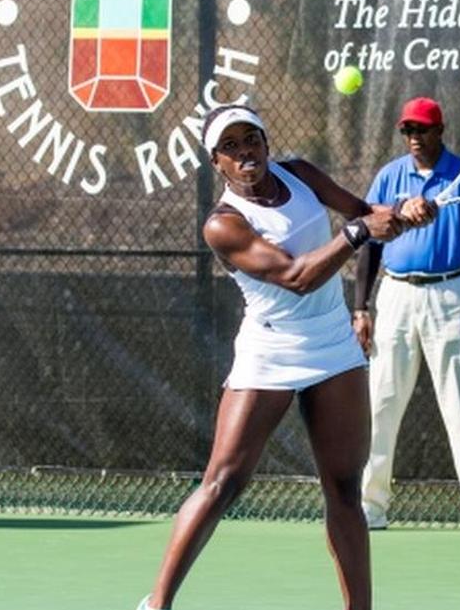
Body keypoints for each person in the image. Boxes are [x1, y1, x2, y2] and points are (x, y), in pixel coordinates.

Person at [135, 104, 434, 610]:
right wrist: (361, 231)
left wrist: (405, 213)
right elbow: (298, 277)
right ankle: (157, 604)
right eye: (230, 146)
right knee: (222, 482)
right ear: (217, 163)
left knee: (344, 488)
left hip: (334, 343)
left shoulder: (298, 174)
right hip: (271, 348)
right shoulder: (223, 224)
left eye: (251, 139)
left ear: (266, 145)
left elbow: (364, 216)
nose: (244, 151)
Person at [354, 97, 460, 534]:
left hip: (449, 295)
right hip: (396, 296)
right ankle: (371, 506)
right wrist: (360, 308)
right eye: (407, 131)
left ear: (439, 131)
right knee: (381, 404)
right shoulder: (389, 176)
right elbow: (369, 241)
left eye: (421, 130)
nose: (414, 139)